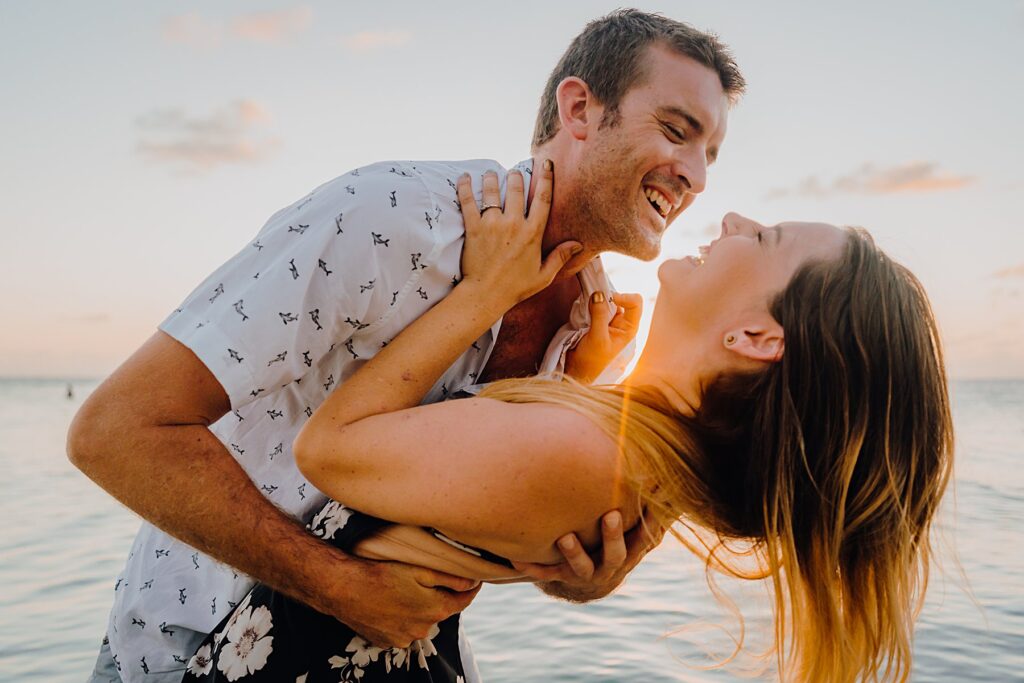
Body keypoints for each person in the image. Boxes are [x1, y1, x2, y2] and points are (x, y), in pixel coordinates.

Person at [67, 10, 745, 683]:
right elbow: (114, 430)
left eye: (708, 153)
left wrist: (576, 574)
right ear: (579, 110)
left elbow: (451, 539)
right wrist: (335, 584)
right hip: (185, 654)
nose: (696, 175)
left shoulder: (592, 332)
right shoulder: (388, 221)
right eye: (676, 131)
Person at [182, 170, 953, 682]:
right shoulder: (639, 449)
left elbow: (330, 447)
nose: (734, 217)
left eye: (768, 239)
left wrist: (485, 292)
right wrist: (578, 373)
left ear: (755, 338)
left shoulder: (590, 454)